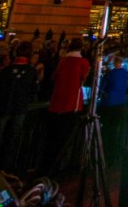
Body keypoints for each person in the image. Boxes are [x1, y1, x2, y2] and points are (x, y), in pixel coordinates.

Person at [0, 40, 38, 175]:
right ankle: (5, 172)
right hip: (19, 109)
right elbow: (34, 91)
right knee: (11, 142)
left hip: (1, 109)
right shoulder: (31, 71)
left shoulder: (5, 70)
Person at [40, 36, 90, 175]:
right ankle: (62, 167)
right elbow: (83, 79)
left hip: (56, 103)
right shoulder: (82, 62)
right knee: (68, 139)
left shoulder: (62, 61)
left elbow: (53, 78)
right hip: (72, 104)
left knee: (52, 138)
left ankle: (48, 167)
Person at [99, 55, 128, 166]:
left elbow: (101, 88)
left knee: (106, 129)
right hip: (120, 103)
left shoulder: (110, 74)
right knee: (115, 129)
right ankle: (114, 155)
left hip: (109, 103)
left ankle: (105, 154)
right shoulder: (125, 73)